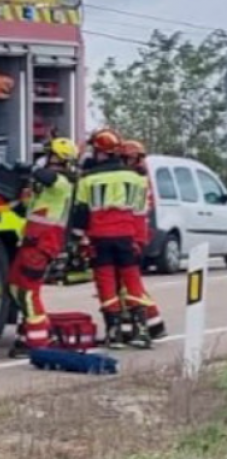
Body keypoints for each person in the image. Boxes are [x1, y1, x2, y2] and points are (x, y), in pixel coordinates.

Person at [74, 128, 154, 349]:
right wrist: (139, 241)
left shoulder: (88, 179)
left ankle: (114, 333)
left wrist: (78, 241)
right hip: (127, 238)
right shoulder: (137, 179)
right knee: (133, 282)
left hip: (100, 239)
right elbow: (140, 213)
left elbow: (81, 214)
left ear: (101, 153)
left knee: (106, 284)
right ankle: (141, 331)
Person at [8, 137, 79, 356]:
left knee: (29, 293)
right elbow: (27, 210)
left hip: (42, 245)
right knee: (15, 287)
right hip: (31, 242)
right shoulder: (47, 187)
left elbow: (48, 177)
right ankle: (33, 334)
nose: (46, 159)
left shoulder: (63, 182)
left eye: (50, 155)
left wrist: (30, 168)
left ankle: (39, 343)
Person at [120, 139, 168, 340]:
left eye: (128, 158)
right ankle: (145, 324)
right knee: (129, 284)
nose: (125, 162)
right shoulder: (140, 176)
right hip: (136, 234)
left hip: (134, 236)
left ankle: (151, 323)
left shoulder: (136, 179)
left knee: (130, 285)